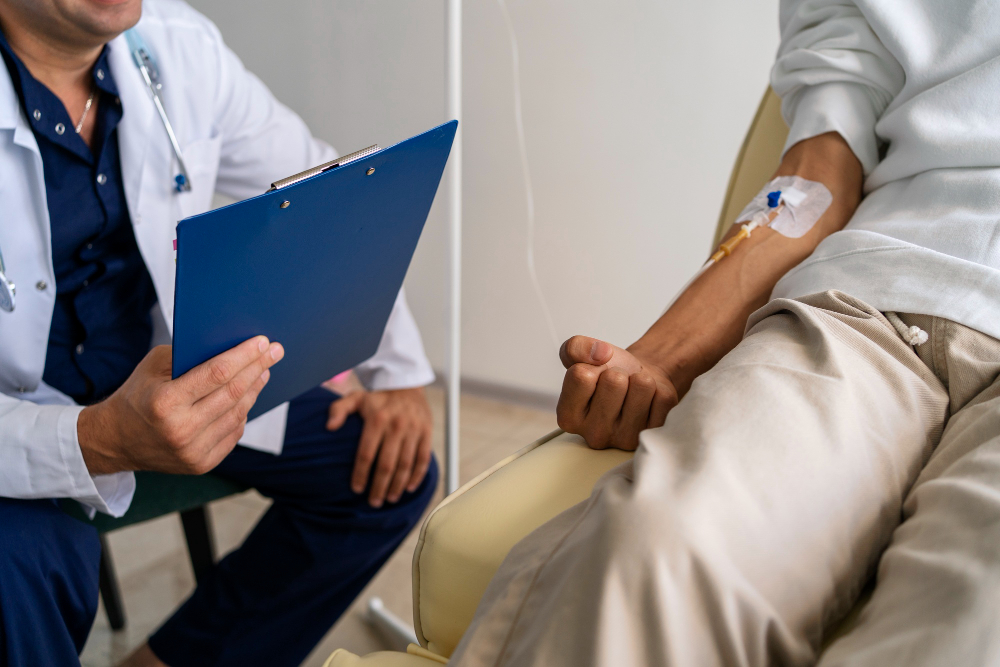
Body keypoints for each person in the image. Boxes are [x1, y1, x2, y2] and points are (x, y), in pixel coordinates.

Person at [449, 1, 1000, 665]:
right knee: (654, 546)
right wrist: (659, 358)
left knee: (972, 627)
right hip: (866, 304)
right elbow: (816, 175)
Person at [0, 0, 440, 665]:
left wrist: (399, 372)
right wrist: (98, 438)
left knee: (384, 474)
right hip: (20, 418)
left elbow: (329, 188)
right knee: (30, 560)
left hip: (152, 372)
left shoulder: (178, 46)